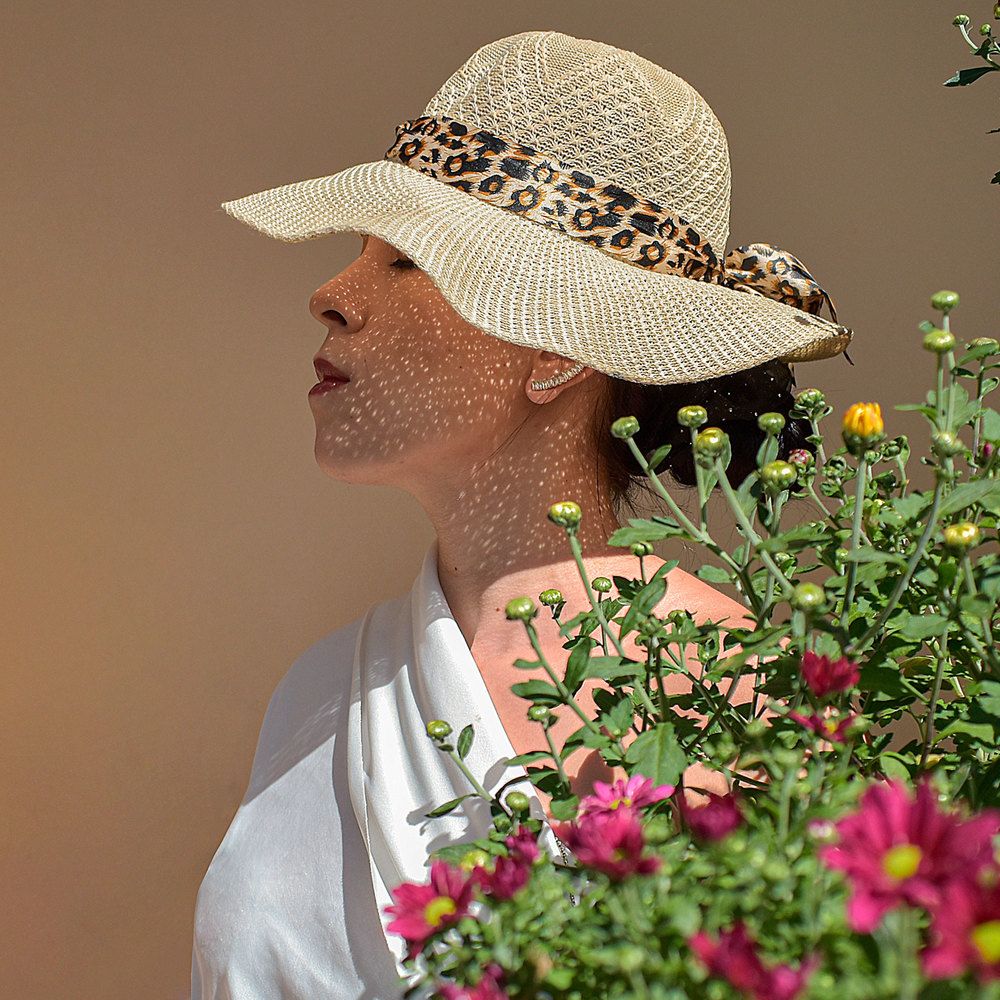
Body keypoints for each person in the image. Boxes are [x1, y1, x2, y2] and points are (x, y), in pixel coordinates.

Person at [191, 29, 853, 999]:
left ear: (558, 349)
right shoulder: (317, 693)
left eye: (405, 261)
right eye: (356, 255)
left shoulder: (724, 691)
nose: (330, 296)